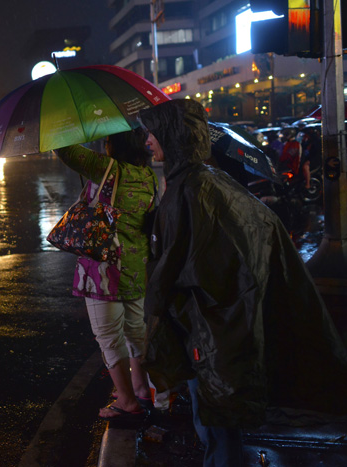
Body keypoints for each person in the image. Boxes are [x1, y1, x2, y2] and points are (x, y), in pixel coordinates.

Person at [138, 99, 347, 466]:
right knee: (218, 423)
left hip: (209, 333)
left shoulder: (191, 191)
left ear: (170, 136)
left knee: (217, 427)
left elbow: (179, 269)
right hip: (217, 333)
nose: (146, 142)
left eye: (151, 133)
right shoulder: (206, 184)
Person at [54, 128, 158, 421]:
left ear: (116, 144)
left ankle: (126, 402)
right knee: (136, 331)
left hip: (104, 269)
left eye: (109, 140)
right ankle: (140, 389)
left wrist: (60, 125)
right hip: (136, 267)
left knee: (109, 337)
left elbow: (67, 151)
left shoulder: (108, 169)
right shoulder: (147, 176)